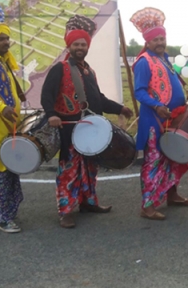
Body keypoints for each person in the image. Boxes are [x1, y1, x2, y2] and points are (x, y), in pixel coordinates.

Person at [41, 28, 133, 229]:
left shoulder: (90, 71)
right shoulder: (60, 68)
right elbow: (47, 95)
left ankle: (88, 202)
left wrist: (120, 108)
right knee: (69, 169)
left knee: (90, 167)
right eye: (76, 44)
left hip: (91, 128)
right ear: (69, 46)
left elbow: (98, 99)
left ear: (87, 47)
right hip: (70, 128)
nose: (80, 47)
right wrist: (51, 114)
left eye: (83, 44)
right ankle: (65, 211)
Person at [130, 7, 188, 221]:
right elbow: (139, 91)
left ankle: (172, 195)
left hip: (172, 117)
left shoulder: (165, 59)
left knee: (173, 157)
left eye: (162, 39)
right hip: (154, 120)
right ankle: (147, 206)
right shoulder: (143, 62)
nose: (159, 43)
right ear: (147, 43)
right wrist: (157, 105)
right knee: (154, 161)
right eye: (155, 40)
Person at [0, 23, 23, 233]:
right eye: (1, 38)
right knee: (2, 170)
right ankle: (3, 217)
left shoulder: (3, 62)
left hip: (8, 124)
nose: (6, 42)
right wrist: (1, 107)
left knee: (7, 169)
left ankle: (0, 211)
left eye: (7, 38)